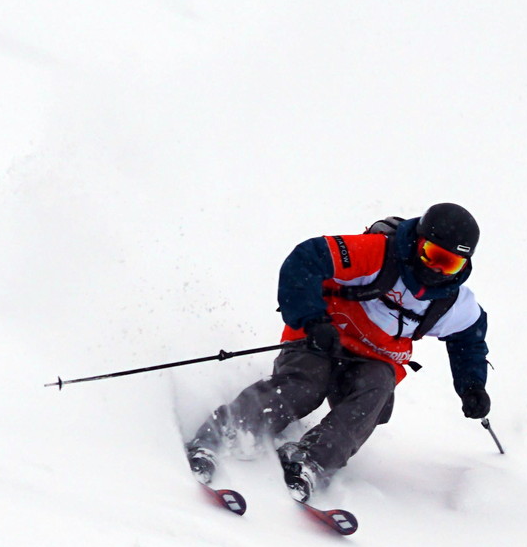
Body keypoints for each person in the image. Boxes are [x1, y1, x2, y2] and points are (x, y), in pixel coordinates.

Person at [185, 203, 490, 502]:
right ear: (417, 243)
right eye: (432, 255)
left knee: (376, 391)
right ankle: (221, 432)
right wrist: (312, 319)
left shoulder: (452, 303)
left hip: (372, 360)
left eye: (450, 264)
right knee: (306, 383)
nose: (437, 269)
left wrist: (472, 385)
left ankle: (311, 460)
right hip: (323, 336)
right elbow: (306, 259)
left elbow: (469, 339)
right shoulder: (377, 253)